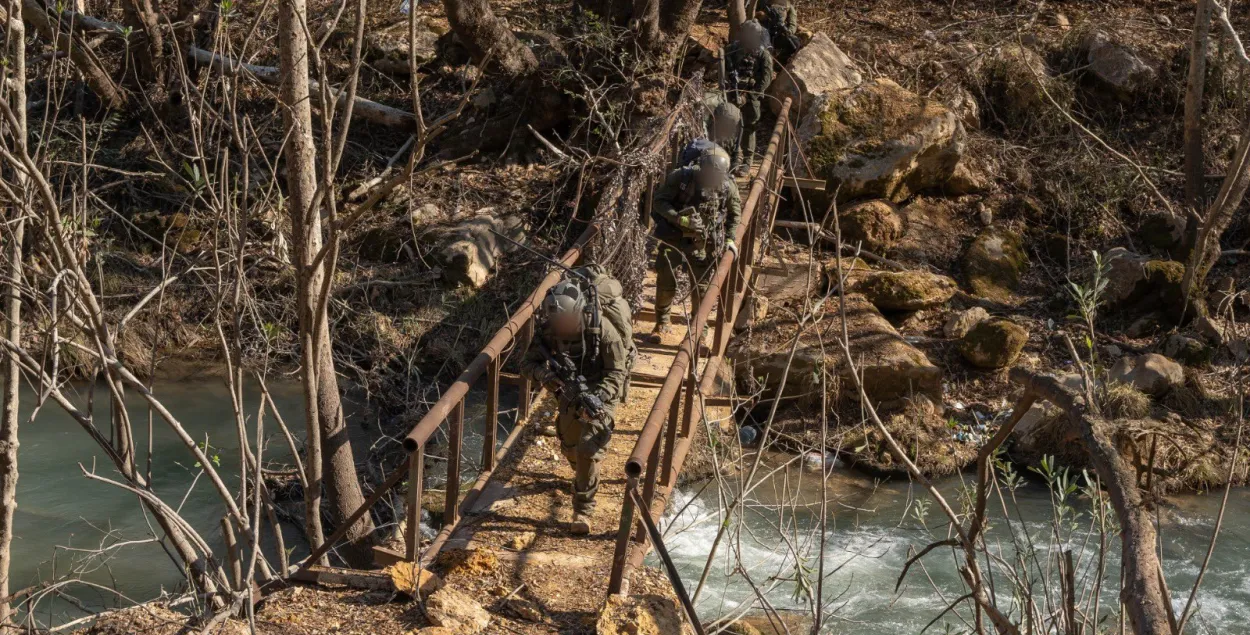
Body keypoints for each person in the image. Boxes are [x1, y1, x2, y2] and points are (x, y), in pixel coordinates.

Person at [520, 271, 632, 535]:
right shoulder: (549, 331)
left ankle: (583, 508)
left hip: (603, 389)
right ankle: (581, 474)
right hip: (569, 390)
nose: (562, 326)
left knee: (588, 448)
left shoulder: (603, 330)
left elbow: (617, 372)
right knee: (570, 446)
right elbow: (527, 364)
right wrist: (545, 375)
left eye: (567, 320)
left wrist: (599, 396)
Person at [648, 146, 741, 344]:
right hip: (674, 237)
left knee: (701, 288)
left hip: (703, 243)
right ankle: (661, 323)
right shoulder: (681, 178)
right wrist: (679, 219)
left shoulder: (727, 187)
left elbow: (735, 215)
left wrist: (731, 239)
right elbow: (659, 201)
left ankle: (699, 329)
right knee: (666, 281)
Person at [725, 20, 775, 166]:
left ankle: (747, 160)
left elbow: (766, 78)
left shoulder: (762, 54)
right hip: (732, 92)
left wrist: (750, 95)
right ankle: (734, 156)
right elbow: (724, 70)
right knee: (730, 124)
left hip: (751, 94)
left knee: (749, 126)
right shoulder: (732, 50)